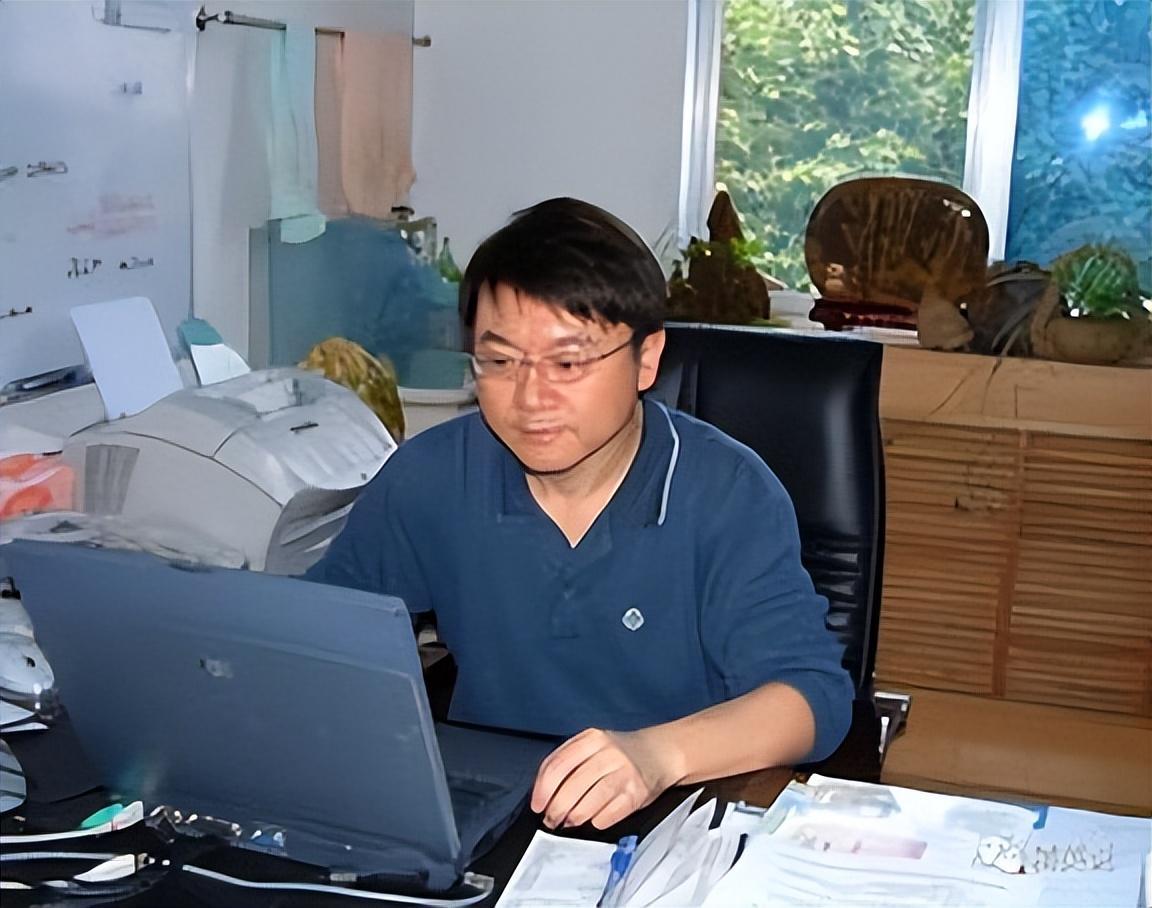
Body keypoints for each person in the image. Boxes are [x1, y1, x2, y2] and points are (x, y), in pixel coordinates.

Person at [307, 198, 853, 831]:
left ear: (646, 358)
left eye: (568, 363)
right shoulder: (431, 477)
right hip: (491, 818)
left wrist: (655, 755)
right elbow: (314, 636)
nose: (530, 398)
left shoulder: (726, 492)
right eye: (500, 361)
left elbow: (812, 697)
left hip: (673, 820)